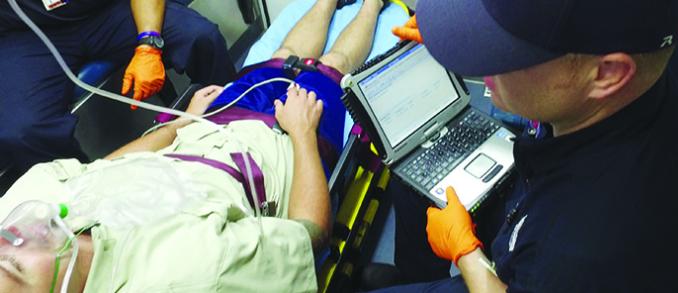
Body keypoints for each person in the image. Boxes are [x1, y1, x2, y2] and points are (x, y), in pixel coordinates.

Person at [0, 0, 388, 291]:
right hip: (272, 149)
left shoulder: (27, 208)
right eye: (13, 266)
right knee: (329, 66)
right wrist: (303, 135)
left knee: (281, 58)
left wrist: (180, 123)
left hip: (199, 132)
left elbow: (97, 171)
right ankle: (373, 4)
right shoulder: (195, 269)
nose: (12, 242)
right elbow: (308, 236)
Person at [377, 0, 678, 292]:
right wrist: (465, 37)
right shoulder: (656, 48)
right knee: (413, 183)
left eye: (506, 50)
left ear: (607, 73)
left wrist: (467, 255)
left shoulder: (577, 253)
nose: (480, 59)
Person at [0, 0, 236, 184]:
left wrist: (149, 46)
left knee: (199, 37)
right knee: (23, 132)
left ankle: (239, 126)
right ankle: (86, 205)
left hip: (105, 10)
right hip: (25, 34)